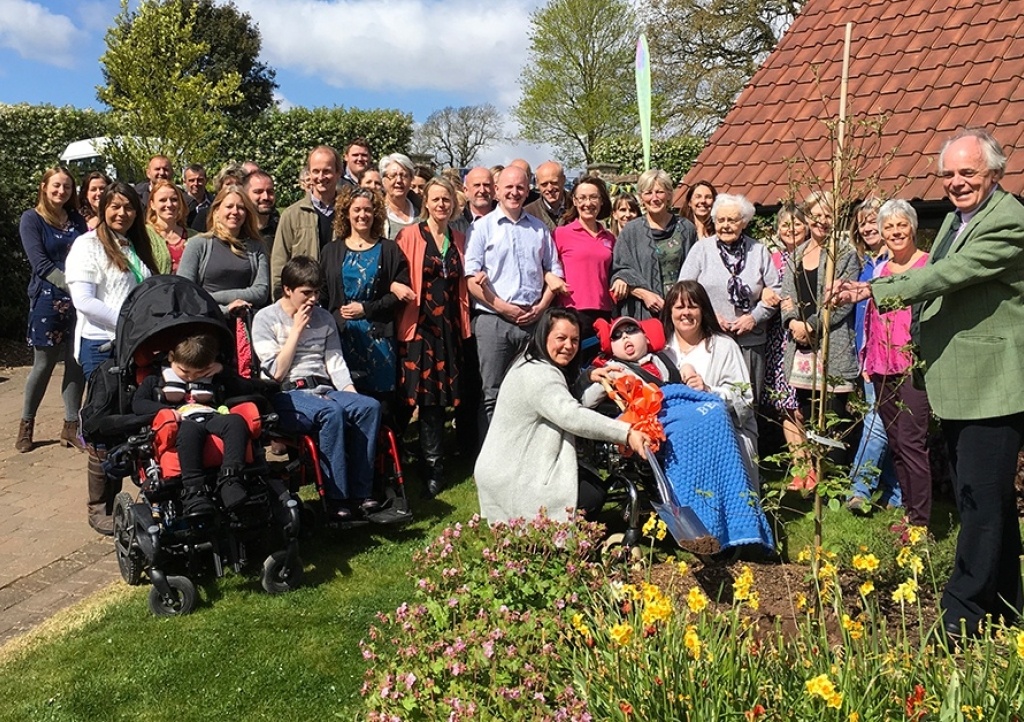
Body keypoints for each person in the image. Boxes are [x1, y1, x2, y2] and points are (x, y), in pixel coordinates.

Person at [832, 129, 1024, 638]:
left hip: (994, 385)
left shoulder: (1008, 220)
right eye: (950, 174)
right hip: (963, 384)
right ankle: (1008, 606)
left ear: (995, 174)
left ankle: (961, 617)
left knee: (979, 506)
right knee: (987, 501)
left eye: (968, 173)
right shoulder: (956, 221)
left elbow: (949, 274)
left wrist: (873, 289)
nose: (957, 182)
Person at [474, 308, 649, 523]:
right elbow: (570, 415)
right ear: (543, 336)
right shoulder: (538, 374)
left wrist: (587, 378)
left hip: (512, 464)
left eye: (575, 340)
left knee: (589, 484)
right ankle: (553, 541)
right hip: (512, 475)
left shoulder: (532, 362)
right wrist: (626, 433)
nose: (569, 346)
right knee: (591, 494)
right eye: (561, 338)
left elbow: (561, 400)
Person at [252, 256, 383, 522]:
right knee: (330, 412)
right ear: (288, 289)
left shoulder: (324, 318)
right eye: (306, 293)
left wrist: (351, 393)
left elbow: (335, 363)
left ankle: (362, 493)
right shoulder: (265, 318)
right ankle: (336, 498)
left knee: (369, 407)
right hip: (288, 393)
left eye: (316, 292)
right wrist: (297, 330)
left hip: (324, 387)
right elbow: (275, 372)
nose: (313, 299)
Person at [66, 182, 158, 535]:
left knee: (130, 419)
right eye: (115, 207)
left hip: (133, 344)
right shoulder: (86, 246)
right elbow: (85, 302)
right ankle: (99, 507)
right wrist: (128, 323)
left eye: (129, 207)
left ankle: (126, 498)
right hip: (100, 345)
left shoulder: (133, 244)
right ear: (103, 207)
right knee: (104, 423)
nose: (122, 213)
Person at [464, 165, 563, 428]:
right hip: (493, 320)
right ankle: (489, 462)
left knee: (533, 391)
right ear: (497, 191)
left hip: (533, 319)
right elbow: (471, 279)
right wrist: (502, 307)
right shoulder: (481, 228)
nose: (514, 192)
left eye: (520, 187)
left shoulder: (540, 229)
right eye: (508, 187)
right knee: (492, 394)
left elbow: (554, 271)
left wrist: (541, 308)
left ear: (528, 190)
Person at [394, 177, 470, 498]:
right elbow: (395, 275)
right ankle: (394, 462)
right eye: (436, 200)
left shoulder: (459, 239)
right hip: (418, 328)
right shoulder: (409, 235)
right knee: (412, 398)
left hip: (448, 330)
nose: (441, 205)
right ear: (426, 202)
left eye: (447, 200)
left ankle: (434, 466)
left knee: (437, 403)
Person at [858, 199, 932, 527]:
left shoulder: (928, 265)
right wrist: (866, 358)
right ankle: (907, 509)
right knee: (897, 442)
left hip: (914, 367)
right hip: (880, 365)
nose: (895, 231)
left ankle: (920, 523)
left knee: (913, 441)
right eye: (889, 227)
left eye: (901, 225)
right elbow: (870, 319)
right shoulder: (880, 270)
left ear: (913, 228)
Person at [780, 191, 860, 491]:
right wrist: (792, 322)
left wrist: (811, 326)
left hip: (831, 345)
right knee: (806, 411)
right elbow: (786, 295)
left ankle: (834, 477)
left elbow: (842, 301)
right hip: (800, 348)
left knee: (833, 414)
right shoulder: (796, 255)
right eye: (816, 215)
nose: (822, 221)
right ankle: (811, 472)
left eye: (828, 215)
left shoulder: (844, 254)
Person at [132, 332, 254, 515]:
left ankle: (231, 480)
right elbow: (138, 404)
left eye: (199, 373)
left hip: (210, 415)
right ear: (171, 357)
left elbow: (247, 387)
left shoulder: (214, 374)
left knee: (235, 422)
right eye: (184, 372)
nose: (191, 377)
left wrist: (223, 370)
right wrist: (163, 411)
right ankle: (194, 491)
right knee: (190, 430)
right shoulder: (155, 379)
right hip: (179, 422)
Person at [678, 193, 779, 404]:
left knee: (747, 400)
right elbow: (684, 290)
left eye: (732, 220)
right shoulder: (701, 250)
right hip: (711, 338)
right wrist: (710, 317)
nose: (725, 225)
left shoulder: (759, 251)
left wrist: (754, 317)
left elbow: (776, 290)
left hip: (750, 340)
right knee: (711, 396)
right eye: (720, 220)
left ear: (743, 222)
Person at [16, 167, 88, 453]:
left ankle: (71, 426)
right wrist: (75, 287)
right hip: (48, 300)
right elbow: (41, 264)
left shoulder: (76, 220)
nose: (62, 191)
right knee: (43, 364)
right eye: (57, 186)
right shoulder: (31, 219)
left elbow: (88, 253)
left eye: (67, 187)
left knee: (76, 361)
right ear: (44, 187)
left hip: (79, 303)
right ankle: (26, 424)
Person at [661, 280, 759, 486]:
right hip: (676, 438)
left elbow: (745, 398)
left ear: (703, 310)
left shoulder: (724, 346)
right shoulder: (660, 352)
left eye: (692, 306)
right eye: (679, 307)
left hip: (724, 435)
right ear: (670, 312)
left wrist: (708, 390)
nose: (686, 313)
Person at [321, 186, 410, 407]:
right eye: (357, 210)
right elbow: (322, 294)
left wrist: (366, 309)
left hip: (378, 338)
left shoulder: (389, 250)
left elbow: (398, 295)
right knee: (346, 401)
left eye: (368, 210)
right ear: (346, 213)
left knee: (381, 405)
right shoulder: (330, 251)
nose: (363, 215)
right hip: (341, 338)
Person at [846, 198, 901, 512]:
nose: (867, 227)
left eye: (872, 221)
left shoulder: (892, 264)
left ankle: (859, 490)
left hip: (892, 353)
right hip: (870, 354)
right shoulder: (869, 263)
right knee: (887, 421)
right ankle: (896, 495)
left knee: (879, 420)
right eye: (862, 222)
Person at [610, 168, 697, 321]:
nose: (654, 198)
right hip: (643, 314)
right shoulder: (631, 231)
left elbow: (697, 269)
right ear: (641, 197)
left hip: (682, 312)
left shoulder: (686, 228)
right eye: (648, 193)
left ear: (669, 194)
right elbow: (619, 271)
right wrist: (645, 294)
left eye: (660, 192)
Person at [177, 185, 270, 315]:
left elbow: (261, 292)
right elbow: (185, 292)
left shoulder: (256, 247)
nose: (235, 212)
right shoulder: (198, 244)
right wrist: (225, 309)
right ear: (216, 211)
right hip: (206, 320)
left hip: (244, 324)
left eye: (241, 208)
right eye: (229, 206)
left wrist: (206, 296)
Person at [551, 176, 616, 339]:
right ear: (574, 201)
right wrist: (549, 276)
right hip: (571, 311)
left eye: (594, 197)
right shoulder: (561, 234)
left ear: (601, 201)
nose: (588, 203)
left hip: (604, 312)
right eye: (582, 198)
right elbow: (544, 265)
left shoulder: (609, 238)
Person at [271, 146, 341, 297]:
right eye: (316, 171)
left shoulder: (348, 212)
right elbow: (279, 262)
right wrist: (280, 299)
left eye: (327, 171)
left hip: (339, 300)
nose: (321, 177)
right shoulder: (292, 214)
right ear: (309, 173)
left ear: (338, 173)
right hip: (302, 299)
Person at [145, 179, 192, 273]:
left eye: (174, 200)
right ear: (152, 205)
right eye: (162, 200)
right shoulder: (143, 235)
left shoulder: (194, 236)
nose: (169, 204)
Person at [379, 153, 420, 240]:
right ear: (383, 180)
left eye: (404, 175)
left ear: (411, 180)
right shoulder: (377, 214)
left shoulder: (422, 212)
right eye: (393, 176)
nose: (399, 180)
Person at [450, 166, 496, 235]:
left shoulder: (507, 220)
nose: (482, 190)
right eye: (477, 185)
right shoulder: (453, 225)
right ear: (466, 190)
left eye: (486, 185)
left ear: (494, 189)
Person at [524, 161, 566, 231]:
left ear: (563, 180)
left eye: (554, 183)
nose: (549, 188)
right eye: (544, 184)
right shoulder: (528, 213)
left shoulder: (577, 208)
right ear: (537, 184)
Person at [243, 169, 279, 252]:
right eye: (258, 192)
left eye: (270, 192)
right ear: (245, 195)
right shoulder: (238, 230)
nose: (265, 197)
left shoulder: (281, 228)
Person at [183, 163, 211, 227]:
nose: (196, 183)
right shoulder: (179, 203)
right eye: (191, 180)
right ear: (184, 182)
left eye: (200, 180)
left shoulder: (215, 203)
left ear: (206, 181)